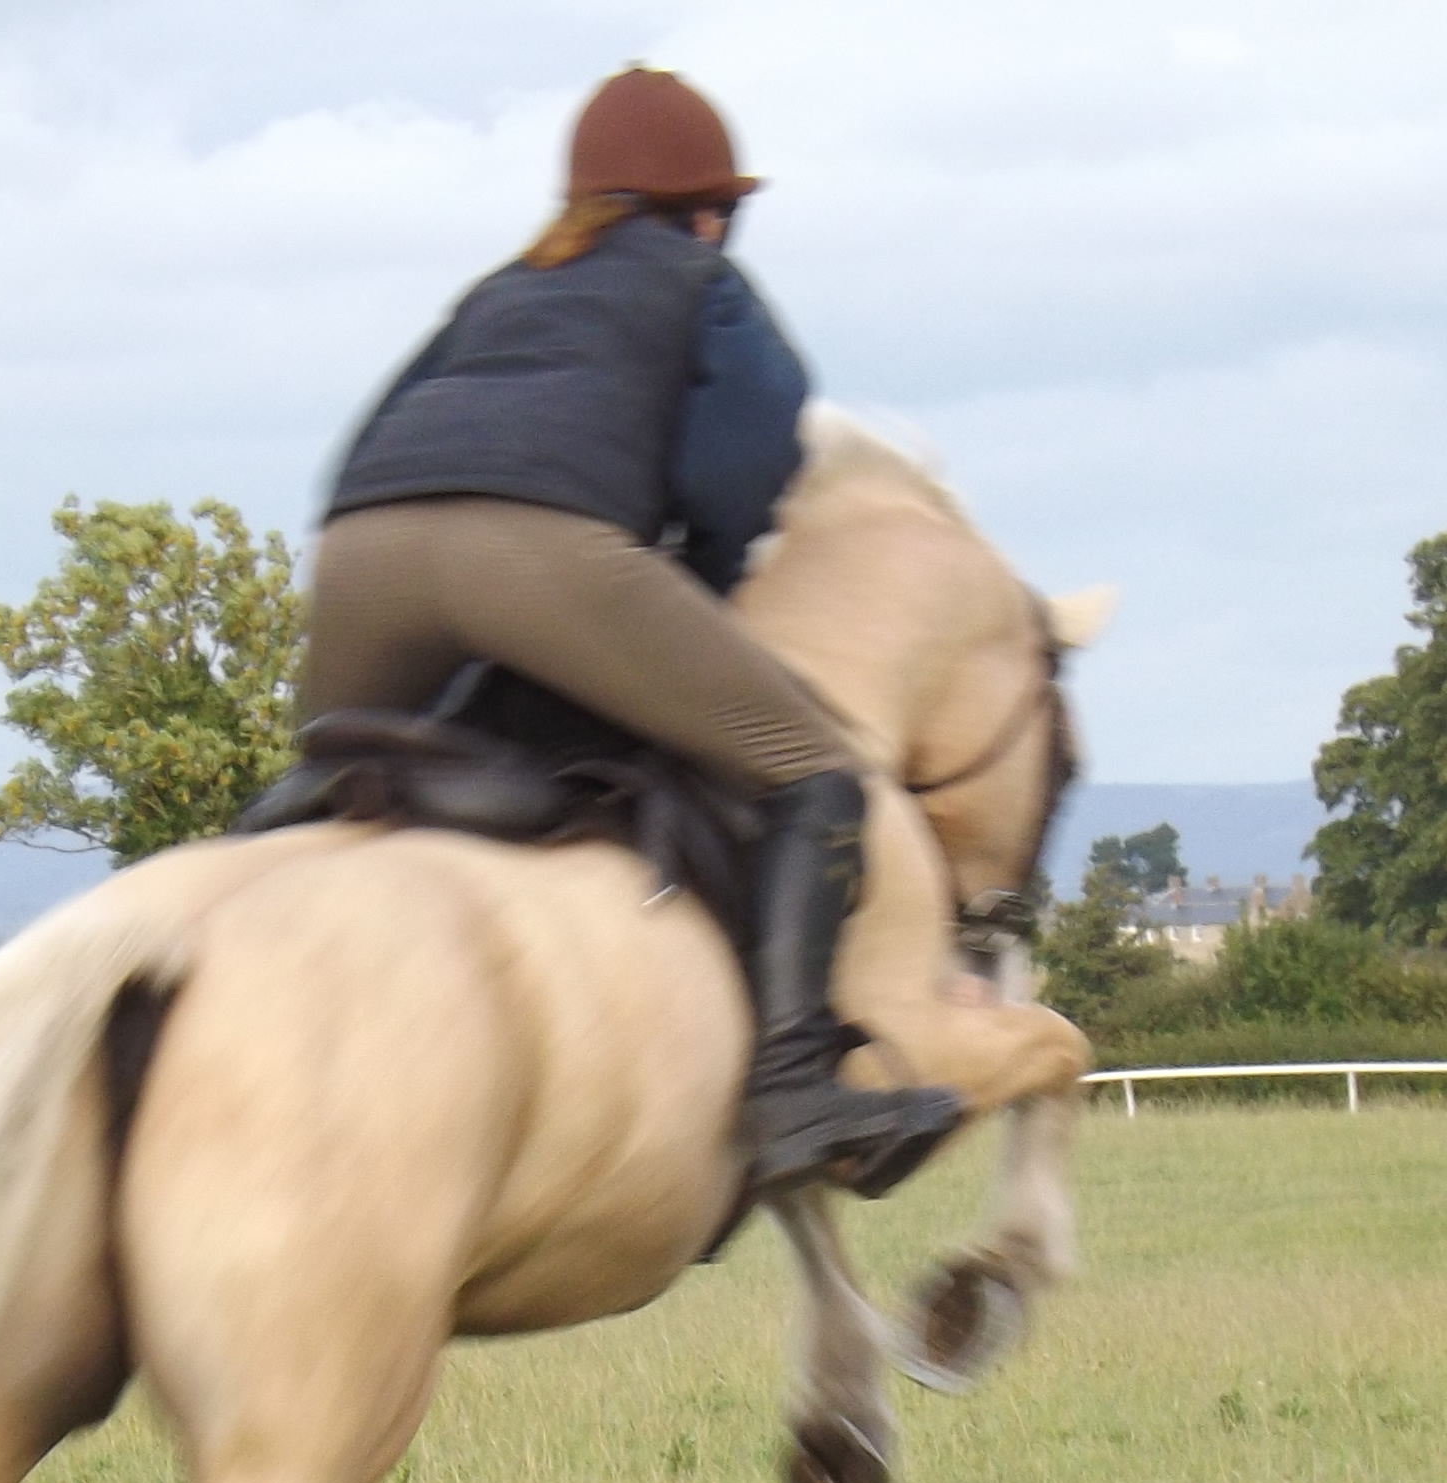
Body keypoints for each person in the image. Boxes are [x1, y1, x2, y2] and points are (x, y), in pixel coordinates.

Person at [303, 66, 959, 1201]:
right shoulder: (702, 281)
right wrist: (688, 582)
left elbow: (370, 435)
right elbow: (748, 456)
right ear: (706, 210)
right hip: (544, 555)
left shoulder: (496, 292)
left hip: (362, 557)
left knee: (316, 800)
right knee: (815, 776)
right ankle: (796, 1091)